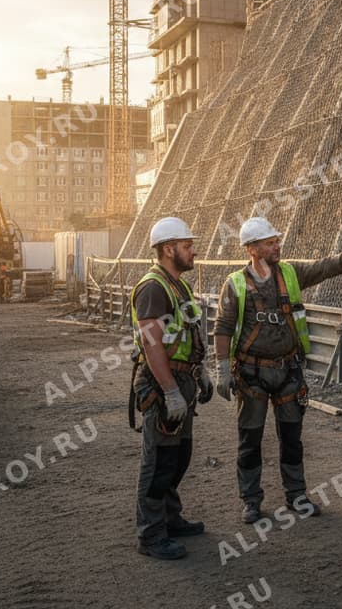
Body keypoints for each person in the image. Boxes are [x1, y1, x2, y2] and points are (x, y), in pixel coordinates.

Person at [213, 217, 342, 524]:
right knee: (250, 439)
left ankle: (296, 496)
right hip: (251, 374)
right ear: (253, 249)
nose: (277, 245)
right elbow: (222, 328)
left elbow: (321, 268)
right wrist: (222, 370)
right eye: (271, 242)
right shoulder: (235, 284)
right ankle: (251, 500)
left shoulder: (289, 273)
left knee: (292, 438)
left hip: (287, 371)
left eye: (276, 241)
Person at [130, 216, 214, 560]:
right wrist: (169, 391)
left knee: (179, 456)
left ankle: (170, 517)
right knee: (160, 460)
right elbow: (153, 346)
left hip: (182, 378)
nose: (193, 251)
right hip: (162, 382)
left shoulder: (178, 285)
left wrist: (200, 374)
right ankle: (151, 535)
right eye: (187, 245)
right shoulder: (154, 288)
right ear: (168, 249)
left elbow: (187, 332)